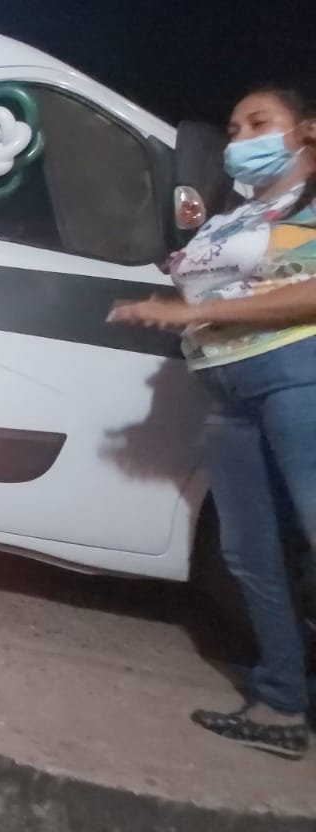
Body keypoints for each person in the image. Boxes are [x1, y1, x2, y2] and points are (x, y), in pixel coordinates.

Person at [108, 86, 316, 758]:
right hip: (227, 391)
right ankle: (283, 704)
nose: (240, 138)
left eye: (260, 123)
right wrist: (163, 304)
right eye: (233, 127)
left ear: (306, 133)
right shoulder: (233, 215)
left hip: (296, 377)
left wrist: (189, 314)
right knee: (249, 555)